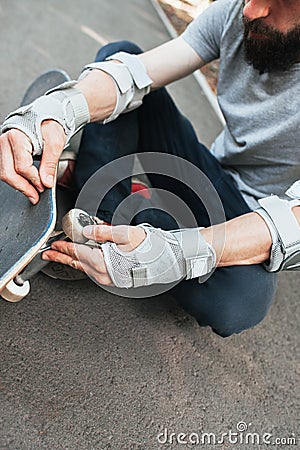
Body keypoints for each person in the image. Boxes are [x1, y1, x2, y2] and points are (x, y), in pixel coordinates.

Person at [0, 0, 299, 337]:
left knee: (238, 304)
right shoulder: (236, 12)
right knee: (121, 55)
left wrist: (177, 254)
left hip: (259, 217)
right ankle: (102, 220)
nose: (251, 11)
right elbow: (137, 74)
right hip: (209, 171)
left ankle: (106, 201)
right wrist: (55, 111)